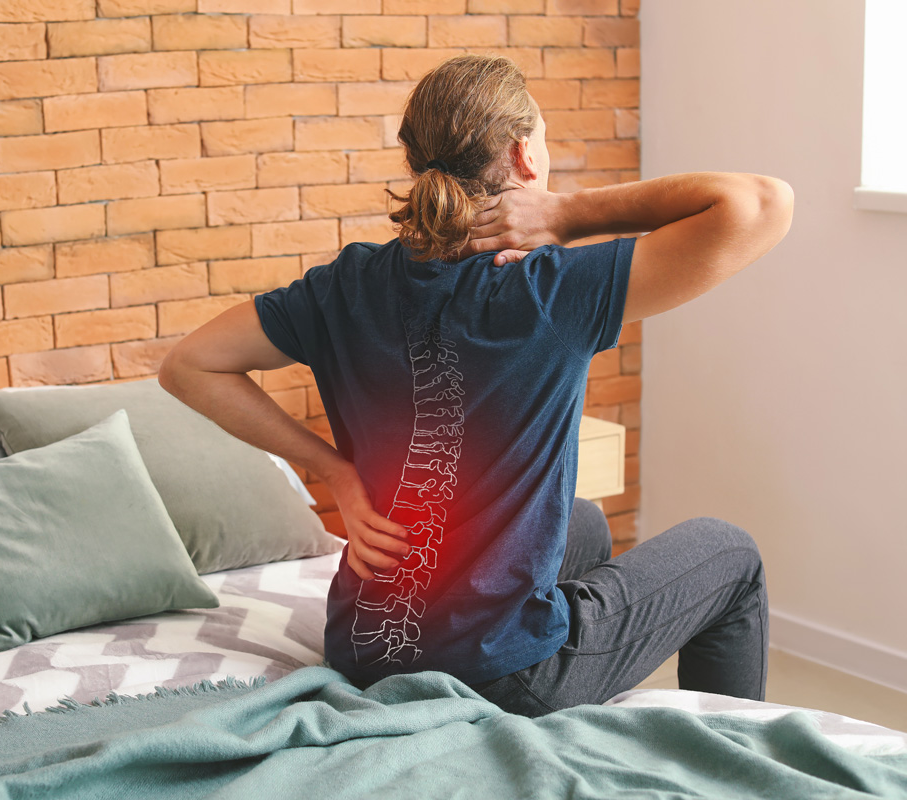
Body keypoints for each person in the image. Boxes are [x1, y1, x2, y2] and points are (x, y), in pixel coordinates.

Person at [158, 54, 794, 716]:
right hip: (503, 677)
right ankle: (734, 762)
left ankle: (569, 691)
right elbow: (763, 204)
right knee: (731, 553)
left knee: (583, 525)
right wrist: (570, 213)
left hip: (364, 653)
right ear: (524, 156)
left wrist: (332, 473)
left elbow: (190, 363)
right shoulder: (547, 289)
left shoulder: (348, 284)